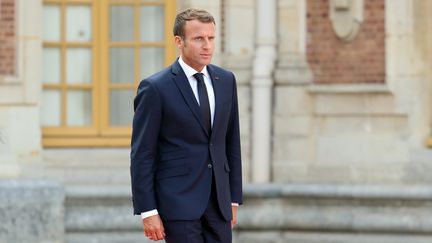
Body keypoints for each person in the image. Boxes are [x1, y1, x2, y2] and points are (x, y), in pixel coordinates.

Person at [130, 8, 243, 243]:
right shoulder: (155, 88)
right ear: (178, 42)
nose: (207, 46)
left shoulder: (226, 81)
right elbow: (142, 153)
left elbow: (231, 143)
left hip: (219, 205)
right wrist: (148, 211)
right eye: (199, 39)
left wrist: (233, 198)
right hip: (177, 204)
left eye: (211, 38)